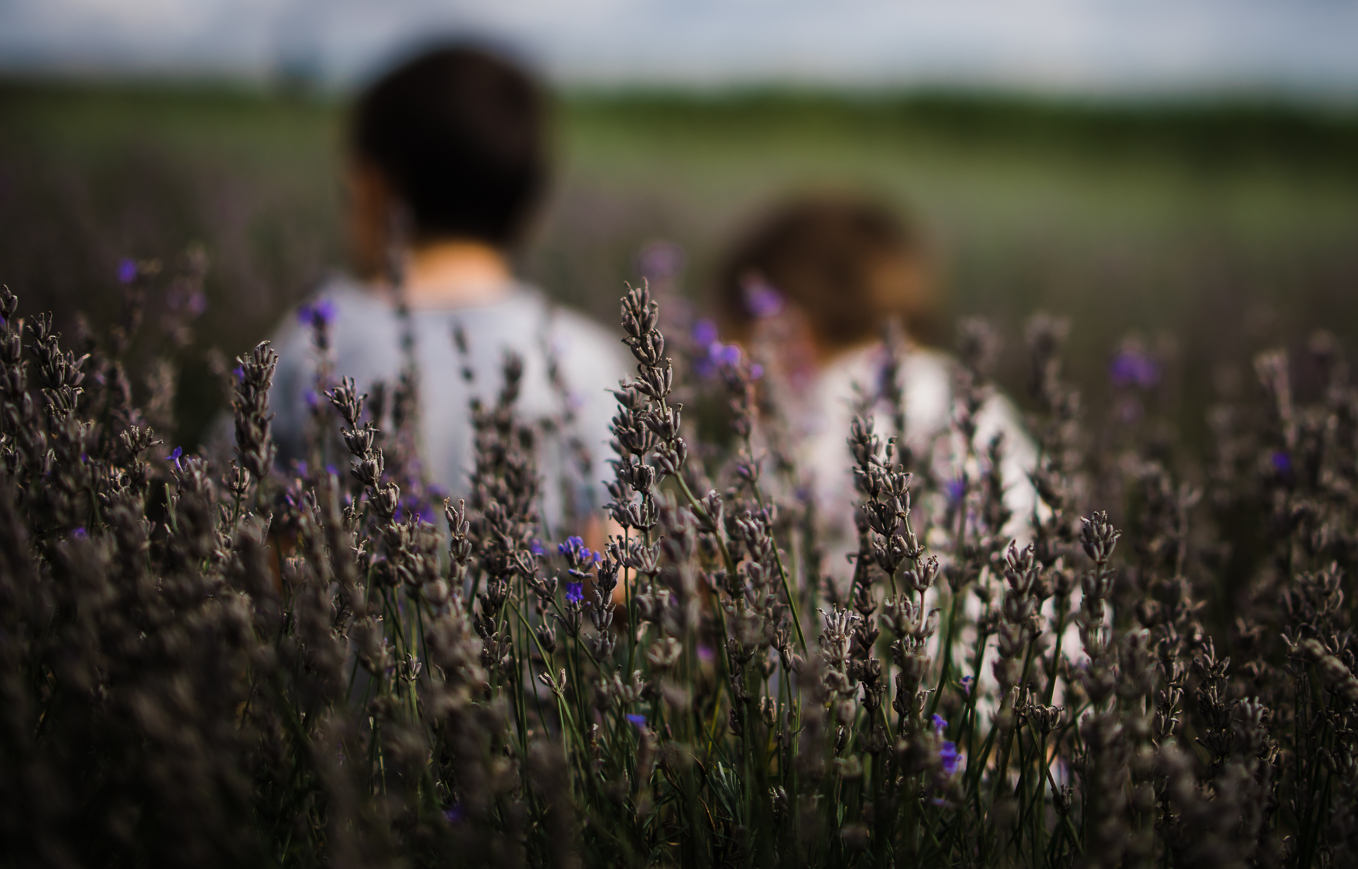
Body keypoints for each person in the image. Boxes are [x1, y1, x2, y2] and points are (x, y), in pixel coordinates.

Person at [267, 44, 629, 529]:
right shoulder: (591, 360)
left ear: (371, 188)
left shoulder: (311, 342)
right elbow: (622, 568)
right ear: (534, 207)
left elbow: (245, 539)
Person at [712, 195, 1035, 571]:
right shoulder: (974, 395)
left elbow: (762, 575)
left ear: (789, 331)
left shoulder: (818, 421)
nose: (723, 372)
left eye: (732, 344)